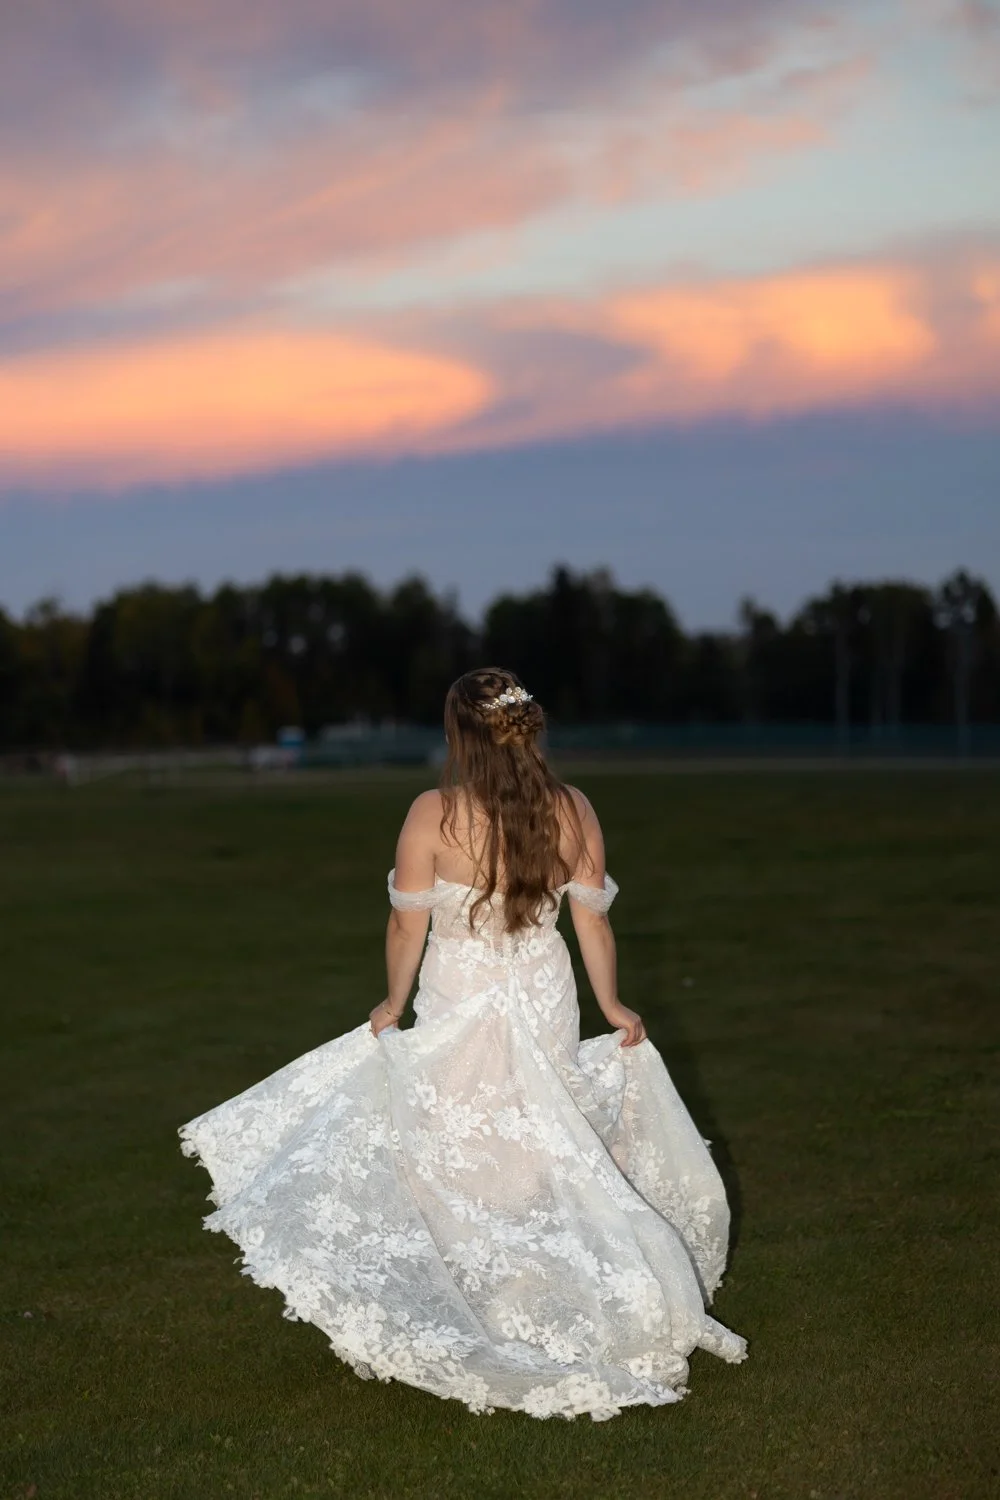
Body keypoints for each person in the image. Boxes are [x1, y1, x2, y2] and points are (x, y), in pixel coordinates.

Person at [180, 667, 746, 1421]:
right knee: (532, 1138)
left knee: (453, 1135)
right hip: (541, 992)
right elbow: (592, 921)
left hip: (464, 995)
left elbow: (406, 923)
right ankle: (522, 1278)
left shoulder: (432, 815)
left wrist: (393, 1001)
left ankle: (488, 1288)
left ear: (459, 736)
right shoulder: (572, 809)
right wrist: (608, 1002)